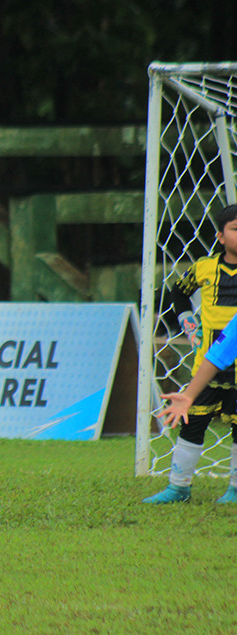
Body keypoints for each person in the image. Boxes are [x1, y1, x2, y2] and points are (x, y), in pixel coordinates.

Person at [147, 203, 237, 504]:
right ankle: (178, 487)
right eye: (236, 229)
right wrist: (187, 321)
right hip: (208, 363)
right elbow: (178, 292)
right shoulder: (204, 267)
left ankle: (235, 489)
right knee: (192, 422)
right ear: (220, 236)